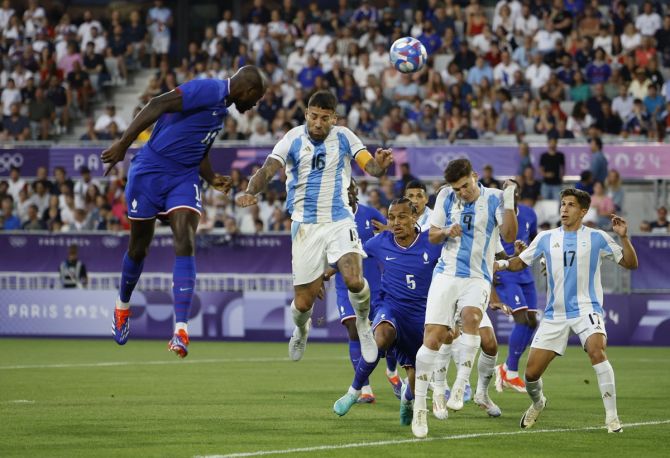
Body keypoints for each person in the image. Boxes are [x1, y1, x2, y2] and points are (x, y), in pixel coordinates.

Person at [101, 65, 267, 357]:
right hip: (150, 170)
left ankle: (180, 330)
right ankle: (122, 307)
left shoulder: (221, 110)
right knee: (139, 248)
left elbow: (198, 150)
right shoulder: (209, 89)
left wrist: (211, 176)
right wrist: (123, 144)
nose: (254, 105)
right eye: (256, 99)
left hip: (184, 176)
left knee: (185, 239)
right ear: (248, 89)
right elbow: (157, 103)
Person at [235, 90, 393, 365]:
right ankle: (301, 328)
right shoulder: (292, 138)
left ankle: (364, 324)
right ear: (307, 114)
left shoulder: (344, 136)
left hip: (339, 219)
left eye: (324, 118)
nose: (318, 123)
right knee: (303, 304)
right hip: (305, 226)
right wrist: (252, 191)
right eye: (314, 116)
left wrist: (379, 166)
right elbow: (268, 169)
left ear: (334, 118)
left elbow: (370, 167)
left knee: (355, 279)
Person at [495, 188, 638, 433]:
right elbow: (520, 262)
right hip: (555, 315)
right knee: (530, 375)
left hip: (586, 309)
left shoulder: (598, 237)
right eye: (562, 204)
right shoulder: (545, 238)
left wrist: (624, 237)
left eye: (571, 205)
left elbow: (630, 263)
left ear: (583, 211)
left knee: (596, 349)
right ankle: (538, 402)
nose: (564, 208)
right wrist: (499, 264)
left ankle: (612, 419)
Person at [412, 159, 518, 438]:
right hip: (446, 275)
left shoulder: (494, 198)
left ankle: (459, 386)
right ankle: (421, 407)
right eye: (457, 188)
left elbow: (508, 235)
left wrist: (509, 199)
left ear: (474, 177)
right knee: (433, 339)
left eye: (465, 186)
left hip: (477, 276)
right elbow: (432, 236)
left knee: (473, 318)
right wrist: (447, 231)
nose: (462, 192)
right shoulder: (446, 196)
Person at [331, 198, 442, 424]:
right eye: (391, 217)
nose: (396, 222)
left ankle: (407, 401)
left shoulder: (432, 241)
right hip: (389, 306)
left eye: (402, 217)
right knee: (380, 337)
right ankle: (354, 392)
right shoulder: (380, 242)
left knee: (416, 372)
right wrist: (323, 273)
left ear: (415, 217)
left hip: (421, 315)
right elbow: (351, 254)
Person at [334, 179, 390, 403]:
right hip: (344, 283)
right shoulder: (331, 218)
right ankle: (364, 388)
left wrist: (387, 230)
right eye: (343, 189)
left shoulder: (370, 214)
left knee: (386, 338)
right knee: (353, 329)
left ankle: (393, 373)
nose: (348, 192)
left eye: (350, 188)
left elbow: (392, 239)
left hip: (375, 284)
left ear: (356, 191)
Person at [494, 184, 539, 393]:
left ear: (518, 194)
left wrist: (534, 253)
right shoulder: (495, 214)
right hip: (505, 274)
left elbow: (536, 240)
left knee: (532, 322)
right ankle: (511, 372)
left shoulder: (530, 214)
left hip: (525, 273)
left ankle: (504, 368)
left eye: (513, 190)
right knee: (521, 319)